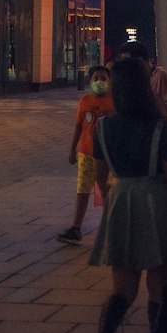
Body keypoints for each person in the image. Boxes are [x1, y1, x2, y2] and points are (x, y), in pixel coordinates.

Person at [84, 56, 167, 333]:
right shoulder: (160, 127)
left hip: (122, 202)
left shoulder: (102, 127)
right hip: (155, 203)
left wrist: (114, 196)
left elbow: (100, 174)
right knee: (159, 285)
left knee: (122, 290)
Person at [57, 66, 114, 244]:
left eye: (103, 78)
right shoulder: (84, 101)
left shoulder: (114, 102)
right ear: (90, 81)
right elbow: (78, 126)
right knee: (82, 190)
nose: (100, 82)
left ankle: (111, 229)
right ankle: (76, 227)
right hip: (86, 153)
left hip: (107, 155)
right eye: (96, 78)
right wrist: (72, 149)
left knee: (107, 191)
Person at [118, 40, 167, 133]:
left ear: (140, 60)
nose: (126, 66)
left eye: (128, 62)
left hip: (157, 130)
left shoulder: (160, 76)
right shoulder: (132, 77)